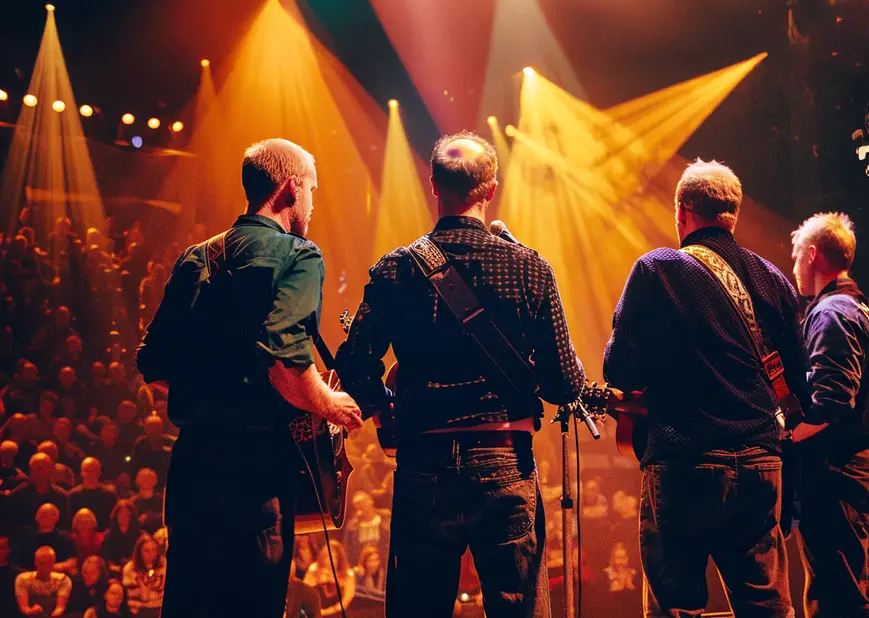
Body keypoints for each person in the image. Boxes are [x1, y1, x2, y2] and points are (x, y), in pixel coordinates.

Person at [336, 131, 586, 618]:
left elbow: (353, 365)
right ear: (491, 190)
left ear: (433, 185)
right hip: (506, 461)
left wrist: (386, 406)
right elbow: (566, 386)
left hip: (423, 463)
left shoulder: (396, 269)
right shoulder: (530, 268)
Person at [135, 138, 362, 618]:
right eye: (313, 191)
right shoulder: (299, 255)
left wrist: (209, 396)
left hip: (192, 465)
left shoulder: (197, 256)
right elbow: (285, 358)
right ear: (290, 189)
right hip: (255, 469)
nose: (314, 204)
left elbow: (152, 363)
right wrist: (330, 404)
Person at [604, 159, 809, 617]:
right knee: (767, 605)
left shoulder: (658, 269)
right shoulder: (773, 279)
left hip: (684, 461)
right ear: (732, 215)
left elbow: (619, 369)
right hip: (761, 462)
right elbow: (800, 388)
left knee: (675, 605)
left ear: (682, 212)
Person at [788, 213, 869, 618]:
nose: (793, 268)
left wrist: (786, 437)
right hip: (867, 462)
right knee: (867, 586)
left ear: (812, 255)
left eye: (795, 257)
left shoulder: (830, 314)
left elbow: (831, 401)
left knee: (836, 595)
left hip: (834, 470)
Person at [14, 546, 72, 617]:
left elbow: (60, 608)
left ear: (54, 562)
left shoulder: (63, 580)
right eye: (42, 564)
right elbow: (24, 607)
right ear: (35, 562)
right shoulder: (22, 579)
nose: (45, 568)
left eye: (49, 563)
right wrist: (32, 611)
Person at [303, 539, 355, 617]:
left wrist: (325, 612)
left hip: (338, 614)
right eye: (327, 556)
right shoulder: (314, 570)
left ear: (339, 557)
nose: (330, 559)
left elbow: (346, 601)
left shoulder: (348, 574)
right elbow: (304, 592)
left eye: (334, 556)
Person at [121, 535, 164, 618]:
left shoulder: (164, 566)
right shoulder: (130, 569)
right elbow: (132, 596)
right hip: (137, 611)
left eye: (154, 550)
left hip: (158, 609)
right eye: (146, 551)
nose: (151, 554)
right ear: (139, 552)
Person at [68, 459, 117, 531]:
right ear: (81, 473)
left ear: (99, 472)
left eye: (93, 471)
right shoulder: (72, 496)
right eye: (87, 471)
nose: (90, 474)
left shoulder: (110, 496)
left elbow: (114, 522)